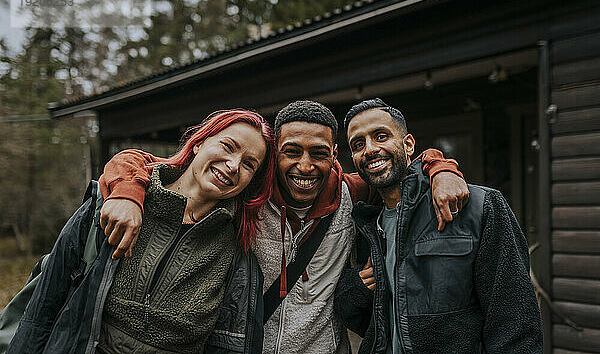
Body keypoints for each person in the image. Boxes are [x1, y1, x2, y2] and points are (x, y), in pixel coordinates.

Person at [95, 100, 469, 354]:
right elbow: (144, 162)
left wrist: (440, 167)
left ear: (334, 155)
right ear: (275, 155)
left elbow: (402, 167)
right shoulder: (245, 192)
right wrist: (128, 193)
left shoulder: (352, 194)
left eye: (319, 153)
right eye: (292, 152)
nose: (305, 166)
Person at [5, 109, 277, 354]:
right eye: (228, 147)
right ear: (199, 143)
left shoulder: (236, 255)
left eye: (249, 164)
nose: (233, 165)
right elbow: (42, 309)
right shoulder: (109, 205)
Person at [335, 98, 543, 353]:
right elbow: (369, 320)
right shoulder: (364, 223)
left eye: (380, 136)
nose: (370, 149)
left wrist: (441, 168)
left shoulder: (479, 207)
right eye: (358, 144)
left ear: (408, 144)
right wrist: (357, 287)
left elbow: (515, 320)